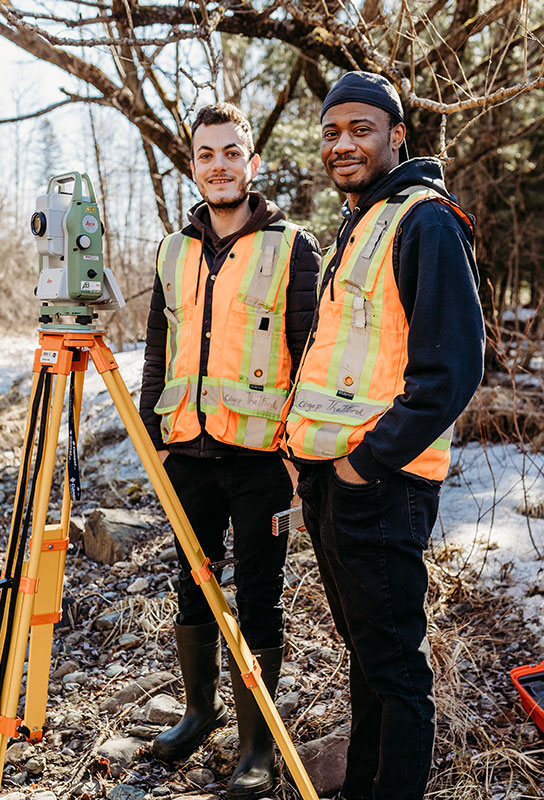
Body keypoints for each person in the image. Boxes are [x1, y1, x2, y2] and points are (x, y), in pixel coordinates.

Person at [283, 72, 485, 800]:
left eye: (361, 129)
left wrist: (365, 465)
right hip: (336, 483)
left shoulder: (424, 220)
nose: (344, 144)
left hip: (381, 486)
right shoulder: (363, 218)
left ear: (397, 135)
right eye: (333, 132)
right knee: (368, 657)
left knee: (397, 672)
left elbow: (452, 370)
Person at [139, 102, 320, 799]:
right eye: (206, 153)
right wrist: (158, 443)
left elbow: (308, 356)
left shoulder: (291, 248)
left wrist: (298, 459)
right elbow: (159, 357)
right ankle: (200, 710)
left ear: (252, 161)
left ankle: (256, 746)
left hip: (261, 461)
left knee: (260, 601)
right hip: (186, 454)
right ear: (193, 164)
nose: (219, 164)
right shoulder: (172, 250)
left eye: (231, 151)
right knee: (192, 585)